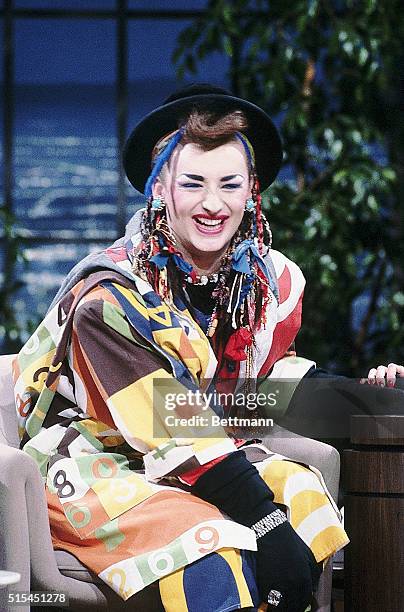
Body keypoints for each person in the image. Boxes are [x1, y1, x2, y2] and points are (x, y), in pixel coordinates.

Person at [13, 83, 360, 612]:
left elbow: (255, 399)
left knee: (305, 499)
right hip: (96, 459)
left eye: (230, 184)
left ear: (252, 192)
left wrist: (365, 392)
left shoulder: (273, 282)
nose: (213, 205)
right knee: (213, 548)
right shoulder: (109, 296)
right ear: (160, 190)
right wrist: (265, 521)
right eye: (193, 183)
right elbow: (173, 422)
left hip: (206, 452)